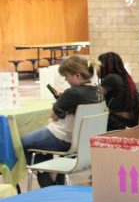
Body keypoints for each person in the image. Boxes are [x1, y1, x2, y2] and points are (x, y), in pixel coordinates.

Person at [21, 55, 103, 187]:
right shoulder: (98, 90)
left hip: (60, 137)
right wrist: (63, 99)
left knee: (22, 143)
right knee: (41, 147)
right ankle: (52, 174)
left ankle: (47, 179)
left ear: (77, 75)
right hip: (80, 141)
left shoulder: (72, 93)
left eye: (66, 76)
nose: (65, 79)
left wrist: (62, 99)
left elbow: (54, 115)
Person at [97, 52, 139, 130]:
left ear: (105, 66)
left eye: (98, 66)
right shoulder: (126, 78)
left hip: (117, 124)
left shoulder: (110, 78)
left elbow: (97, 99)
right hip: (130, 122)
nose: (96, 69)